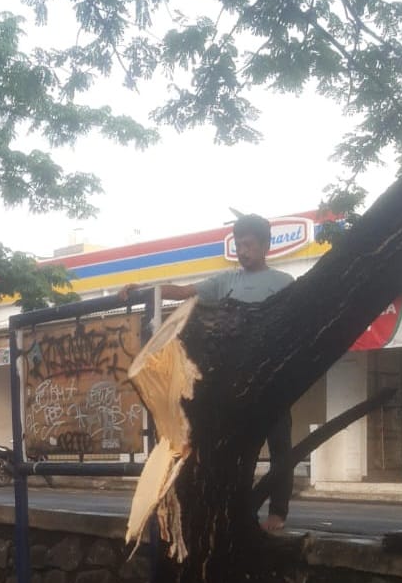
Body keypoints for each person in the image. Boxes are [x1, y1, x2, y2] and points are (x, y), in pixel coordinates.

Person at [119, 213, 295, 532]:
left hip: (273, 378)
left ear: (266, 246)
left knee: (281, 444)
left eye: (249, 244)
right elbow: (185, 291)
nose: (243, 251)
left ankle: (278, 512)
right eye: (238, 245)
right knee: (238, 449)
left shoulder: (284, 283)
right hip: (235, 381)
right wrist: (144, 290)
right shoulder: (227, 281)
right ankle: (240, 512)